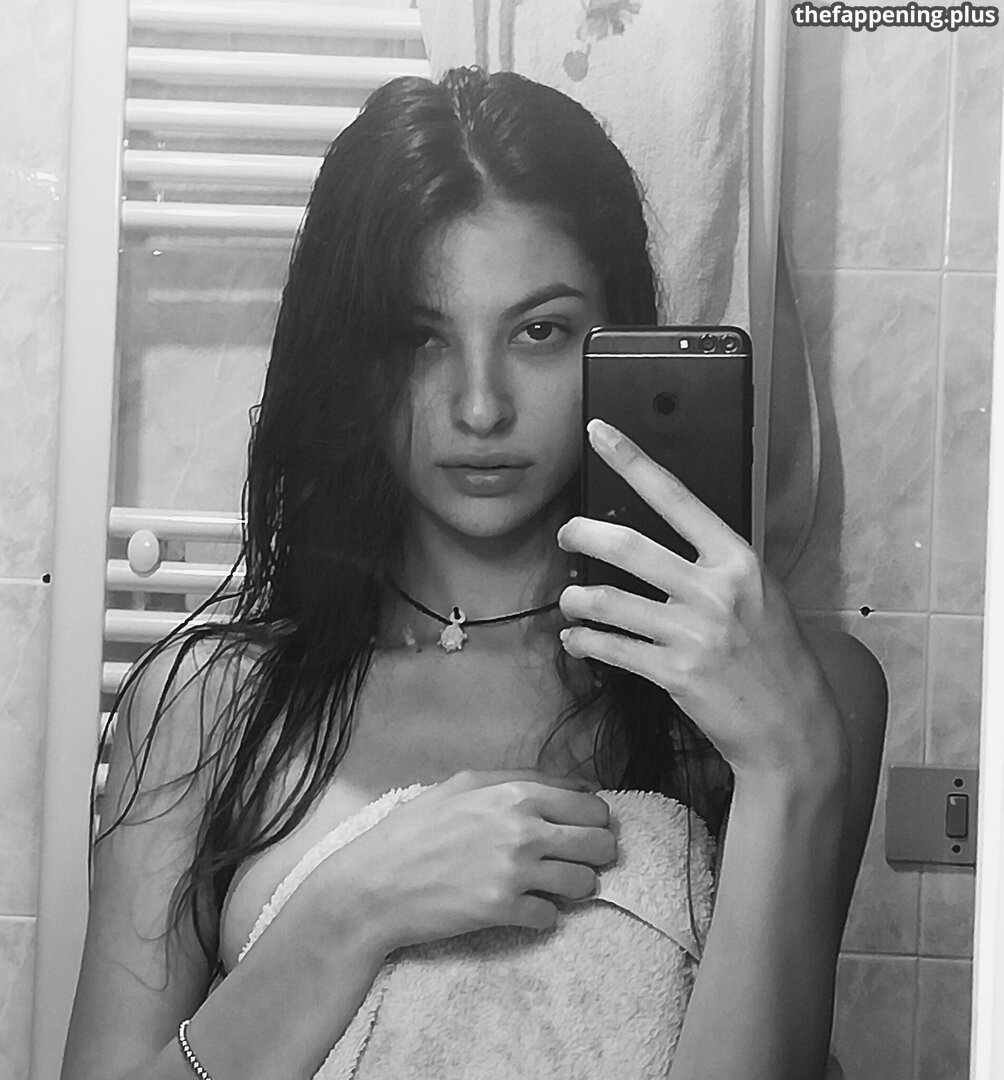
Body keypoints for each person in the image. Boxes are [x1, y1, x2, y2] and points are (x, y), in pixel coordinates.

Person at [62, 67, 887, 1080]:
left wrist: (789, 767)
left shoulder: (806, 697)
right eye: (420, 338)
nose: (481, 407)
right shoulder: (203, 709)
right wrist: (349, 909)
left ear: (616, 338)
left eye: (538, 331)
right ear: (347, 359)